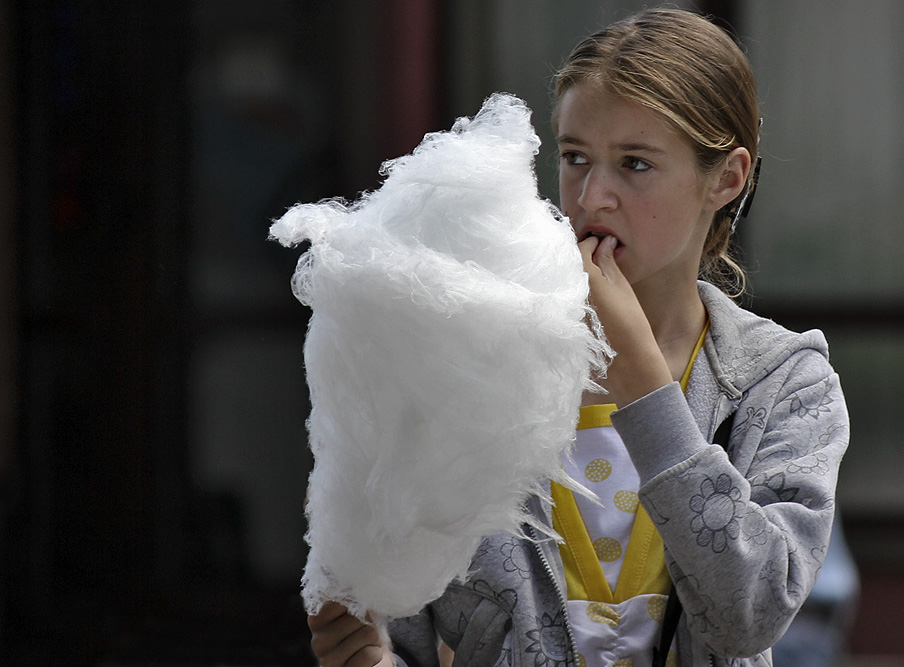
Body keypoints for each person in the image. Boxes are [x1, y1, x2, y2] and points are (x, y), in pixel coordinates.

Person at [307, 7, 849, 667]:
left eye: (636, 164)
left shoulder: (785, 382)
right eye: (575, 158)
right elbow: (410, 634)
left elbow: (750, 613)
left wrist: (643, 381)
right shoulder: (471, 362)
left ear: (726, 178)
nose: (592, 197)